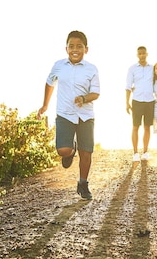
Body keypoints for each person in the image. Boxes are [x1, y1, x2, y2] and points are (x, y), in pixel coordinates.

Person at [37, 30, 100, 200]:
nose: (75, 49)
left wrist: (83, 98)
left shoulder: (91, 69)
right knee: (63, 150)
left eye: (79, 46)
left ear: (86, 49)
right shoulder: (59, 65)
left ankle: (83, 183)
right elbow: (49, 83)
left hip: (85, 115)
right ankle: (70, 151)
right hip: (64, 114)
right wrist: (45, 105)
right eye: (71, 46)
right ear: (66, 48)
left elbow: (96, 93)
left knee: (86, 152)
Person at [125, 46, 155, 162]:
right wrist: (127, 103)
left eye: (144, 53)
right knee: (135, 127)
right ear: (137, 55)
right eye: (140, 54)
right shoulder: (132, 69)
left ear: (147, 54)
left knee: (147, 127)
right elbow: (128, 86)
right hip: (137, 101)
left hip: (149, 101)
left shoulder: (152, 68)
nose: (142, 55)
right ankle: (135, 153)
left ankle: (146, 152)